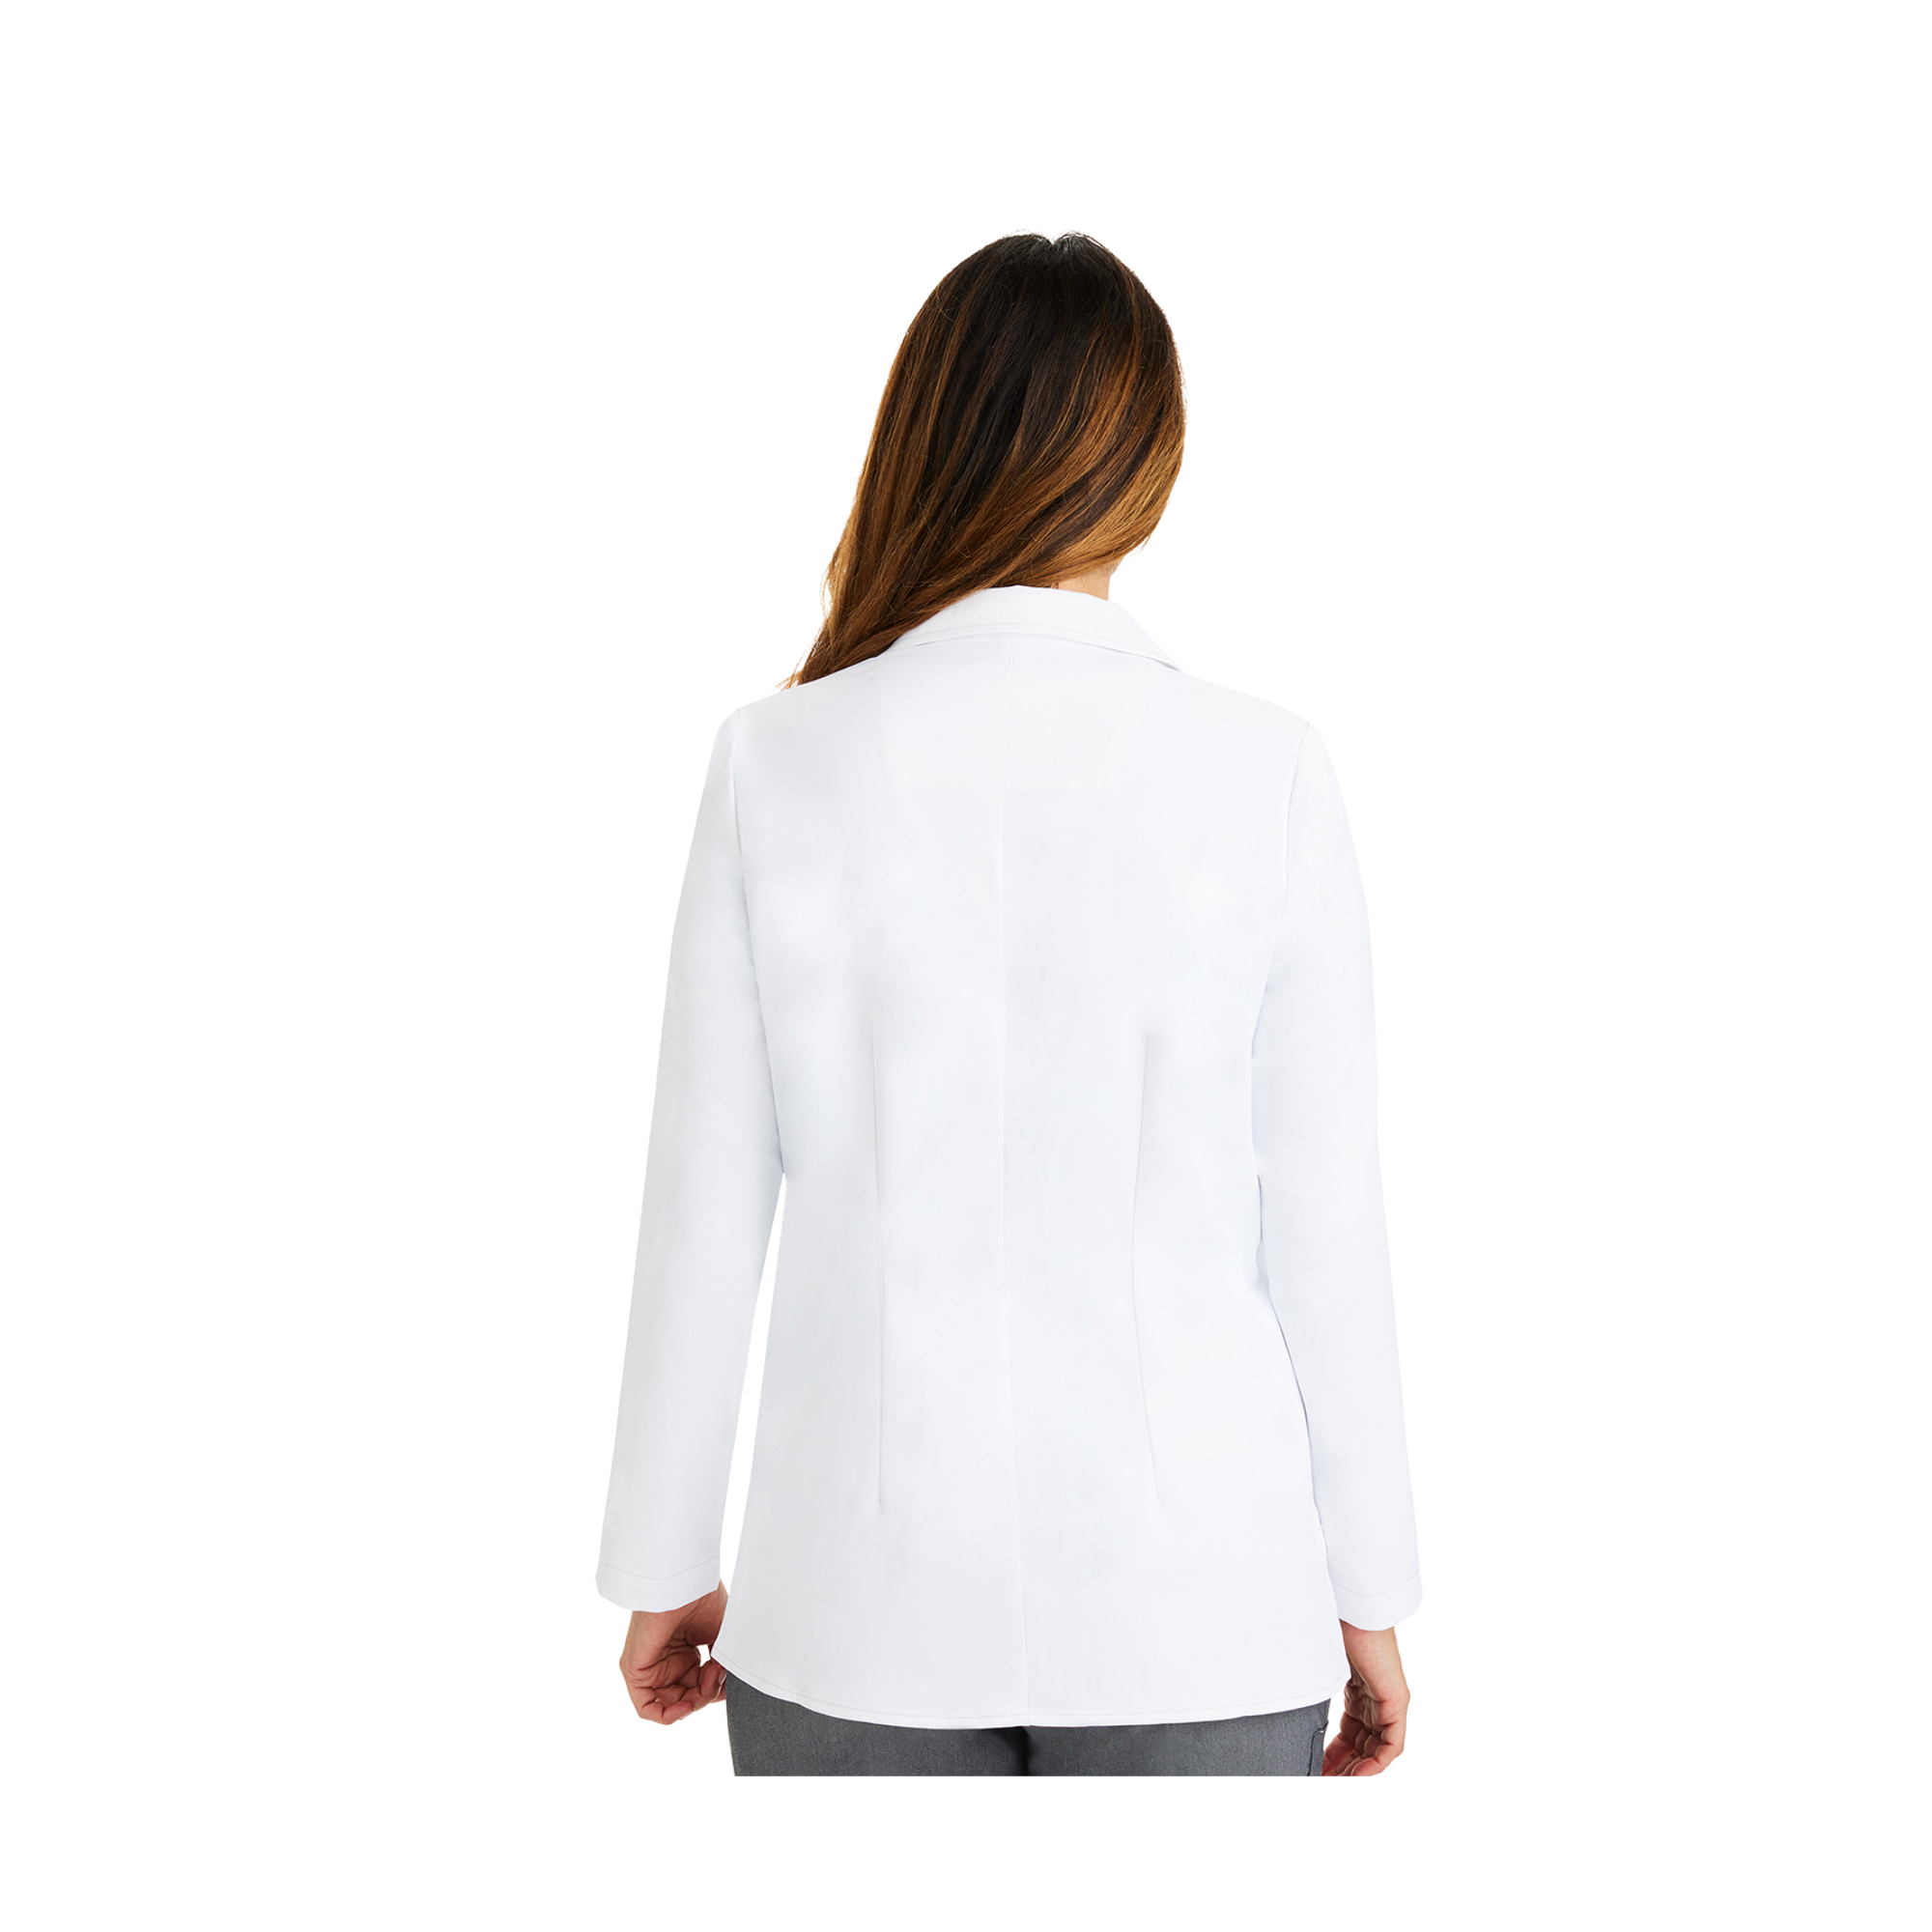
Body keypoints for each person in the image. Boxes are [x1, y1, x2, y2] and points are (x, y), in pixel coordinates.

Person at [597, 233, 1420, 1776]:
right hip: (1203, 1606)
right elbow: (1324, 1224)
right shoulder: (1265, 771)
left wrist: (661, 1561)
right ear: (1150, 465)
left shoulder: (775, 763)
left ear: (928, 437)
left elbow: (701, 1211)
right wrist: (1371, 1593)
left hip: (848, 1606)